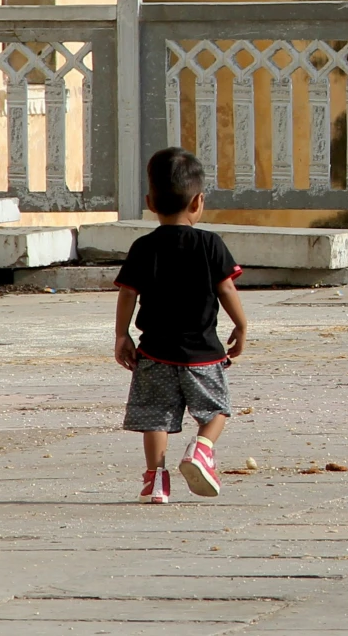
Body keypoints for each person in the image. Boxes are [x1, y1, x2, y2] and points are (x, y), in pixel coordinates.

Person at [113, 147, 248, 503]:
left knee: (156, 418)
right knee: (216, 409)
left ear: (149, 202)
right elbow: (226, 287)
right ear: (198, 201)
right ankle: (201, 449)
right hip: (203, 352)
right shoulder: (210, 244)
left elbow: (127, 294)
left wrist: (121, 334)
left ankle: (155, 481)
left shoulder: (143, 247)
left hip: (155, 351)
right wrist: (241, 325)